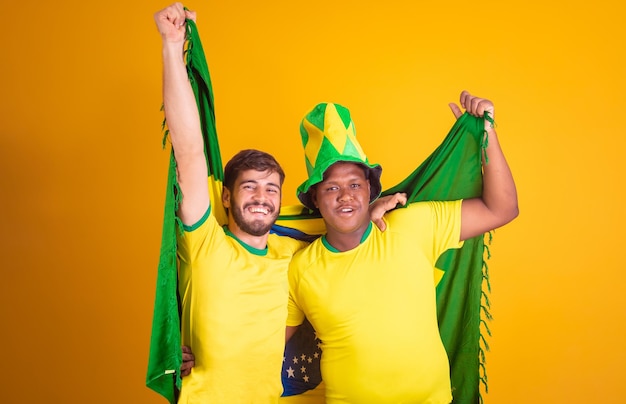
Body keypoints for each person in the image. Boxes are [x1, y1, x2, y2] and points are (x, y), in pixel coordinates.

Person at [153, 4, 401, 401]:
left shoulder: (295, 254)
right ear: (228, 198)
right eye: (249, 187)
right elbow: (189, 151)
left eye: (271, 189)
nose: (262, 197)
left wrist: (370, 212)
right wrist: (171, 45)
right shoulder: (204, 244)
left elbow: (340, 229)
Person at [285, 96, 519, 403]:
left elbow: (501, 209)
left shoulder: (412, 226)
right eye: (331, 188)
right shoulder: (300, 269)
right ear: (315, 199)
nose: (345, 196)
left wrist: (487, 133)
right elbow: (267, 348)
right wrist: (201, 350)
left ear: (370, 189)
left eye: (355, 185)